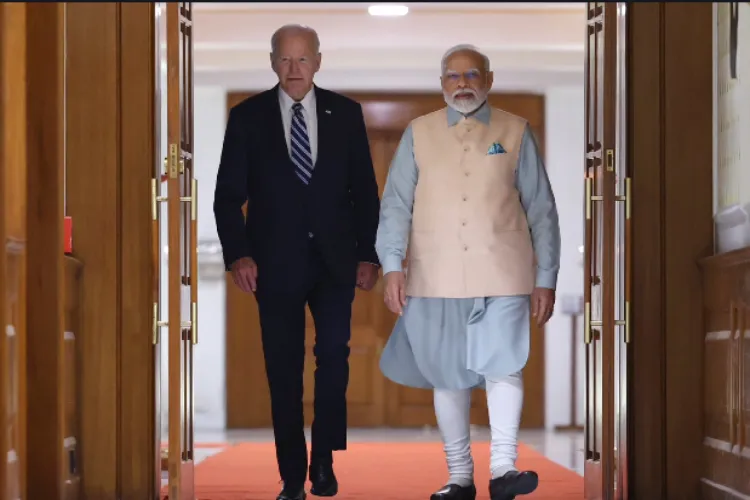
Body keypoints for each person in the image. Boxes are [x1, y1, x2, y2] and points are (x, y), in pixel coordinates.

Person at [376, 44, 560, 500]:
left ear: (488, 80)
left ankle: (503, 468)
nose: (463, 83)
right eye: (453, 76)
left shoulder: (516, 130)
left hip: (504, 270)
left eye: (472, 74)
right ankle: (459, 477)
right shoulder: (417, 133)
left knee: (505, 366)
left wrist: (547, 277)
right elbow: (396, 205)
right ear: (442, 84)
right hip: (434, 273)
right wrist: (392, 265)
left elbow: (542, 209)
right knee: (448, 374)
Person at [213, 24, 381, 500]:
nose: (293, 69)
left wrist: (368, 254)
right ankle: (291, 475)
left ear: (318, 62)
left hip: (335, 263)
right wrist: (238, 254)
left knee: (333, 358)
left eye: (302, 59)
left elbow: (365, 192)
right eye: (285, 60)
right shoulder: (247, 117)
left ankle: (323, 459)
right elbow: (228, 198)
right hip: (273, 264)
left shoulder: (346, 114)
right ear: (272, 63)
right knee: (282, 369)